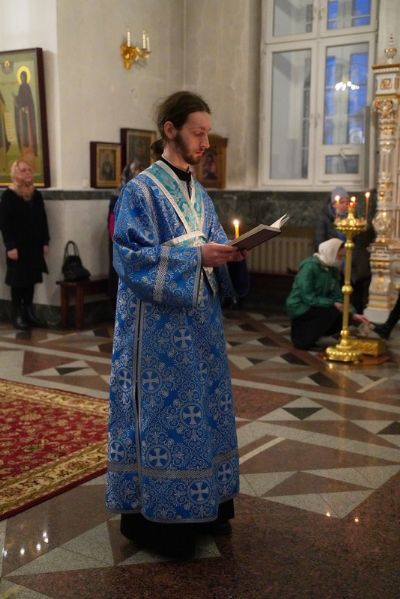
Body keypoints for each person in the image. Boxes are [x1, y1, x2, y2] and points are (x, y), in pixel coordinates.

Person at [106, 91, 247, 558]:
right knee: (166, 416)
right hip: (158, 334)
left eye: (208, 133)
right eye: (197, 132)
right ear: (170, 130)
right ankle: (162, 522)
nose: (205, 142)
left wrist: (232, 253)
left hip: (201, 327)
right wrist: (196, 256)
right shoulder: (140, 190)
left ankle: (210, 504)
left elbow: (214, 240)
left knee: (203, 409)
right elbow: (130, 257)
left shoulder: (198, 192)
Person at [286, 238, 368, 350]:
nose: (341, 260)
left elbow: (337, 296)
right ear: (331, 252)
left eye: (342, 257)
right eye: (339, 256)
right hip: (301, 305)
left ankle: (313, 336)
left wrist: (353, 314)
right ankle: (303, 341)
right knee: (332, 311)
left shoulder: (332, 269)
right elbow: (307, 296)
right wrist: (332, 304)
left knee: (344, 316)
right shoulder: (310, 266)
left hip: (318, 304)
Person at [0, 160, 49, 330]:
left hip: (34, 245)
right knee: (18, 280)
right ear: (15, 173)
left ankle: (29, 312)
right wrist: (10, 246)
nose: (28, 173)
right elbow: (4, 223)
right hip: (17, 246)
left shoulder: (36, 195)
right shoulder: (9, 195)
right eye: (23, 170)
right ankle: (17, 314)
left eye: (29, 170)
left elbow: (42, 220)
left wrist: (45, 241)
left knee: (31, 278)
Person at [107, 162, 139, 313]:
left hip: (137, 245)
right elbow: (113, 223)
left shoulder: (141, 195)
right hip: (121, 244)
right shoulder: (118, 196)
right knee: (119, 276)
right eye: (136, 174)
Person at [14, 70, 38, 161]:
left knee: (29, 130)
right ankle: (25, 147)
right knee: (24, 130)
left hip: (28, 113)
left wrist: (26, 107)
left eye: (24, 77)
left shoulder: (27, 87)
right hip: (22, 114)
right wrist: (16, 98)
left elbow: (29, 100)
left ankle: (31, 149)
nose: (23, 78)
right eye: (21, 77)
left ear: (26, 77)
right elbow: (20, 98)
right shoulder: (21, 87)